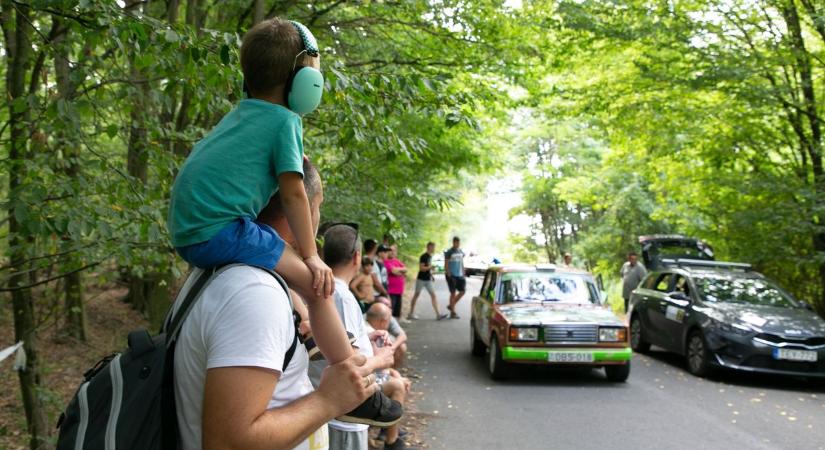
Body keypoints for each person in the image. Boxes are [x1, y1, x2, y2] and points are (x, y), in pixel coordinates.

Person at [166, 18, 360, 401]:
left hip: (193, 231)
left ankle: (309, 333)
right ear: (304, 84)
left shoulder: (242, 115)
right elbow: (293, 195)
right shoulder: (285, 121)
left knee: (280, 259)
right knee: (315, 283)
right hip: (219, 231)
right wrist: (312, 256)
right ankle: (351, 372)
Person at [171, 160, 378, 450]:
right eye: (318, 205)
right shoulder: (254, 291)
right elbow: (227, 442)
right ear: (303, 207)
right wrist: (327, 400)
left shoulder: (221, 271)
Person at [311, 224, 402, 450]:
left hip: (332, 410)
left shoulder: (322, 289)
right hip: (344, 417)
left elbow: (333, 344)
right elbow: (345, 363)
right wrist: (381, 359)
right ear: (357, 257)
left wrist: (367, 341)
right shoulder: (340, 295)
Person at [364, 302, 416, 450]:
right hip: (366, 383)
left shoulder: (368, 327)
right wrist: (395, 376)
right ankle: (391, 441)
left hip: (371, 378)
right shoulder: (374, 334)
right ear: (383, 321)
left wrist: (394, 373)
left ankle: (387, 429)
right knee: (398, 386)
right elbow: (379, 365)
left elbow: (382, 367)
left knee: (398, 380)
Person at [408, 242, 447, 320]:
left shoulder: (430, 256)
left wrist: (431, 275)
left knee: (433, 295)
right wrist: (430, 267)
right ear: (429, 247)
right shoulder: (424, 256)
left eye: (434, 247)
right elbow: (421, 268)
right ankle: (410, 314)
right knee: (416, 295)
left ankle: (438, 314)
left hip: (428, 279)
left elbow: (427, 268)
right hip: (421, 279)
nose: (434, 249)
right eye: (433, 247)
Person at [369, 298, 409, 368]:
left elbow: (403, 335)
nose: (390, 309)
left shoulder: (389, 317)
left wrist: (392, 348)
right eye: (387, 306)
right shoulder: (365, 323)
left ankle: (392, 370)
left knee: (401, 346)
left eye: (390, 307)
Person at [444, 236, 466, 319]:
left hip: (460, 275)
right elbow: (446, 263)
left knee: (462, 291)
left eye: (458, 242)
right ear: (453, 242)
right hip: (451, 275)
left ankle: (451, 305)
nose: (457, 244)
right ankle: (453, 312)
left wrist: (463, 271)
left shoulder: (460, 251)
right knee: (453, 293)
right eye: (456, 242)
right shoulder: (449, 252)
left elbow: (461, 262)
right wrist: (447, 272)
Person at [384, 245, 408, 319]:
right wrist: (401, 271)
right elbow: (393, 271)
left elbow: (406, 269)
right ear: (387, 251)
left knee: (397, 312)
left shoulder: (396, 261)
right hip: (391, 291)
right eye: (391, 250)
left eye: (394, 250)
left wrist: (398, 270)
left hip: (399, 291)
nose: (392, 252)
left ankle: (395, 327)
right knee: (390, 310)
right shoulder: (385, 261)